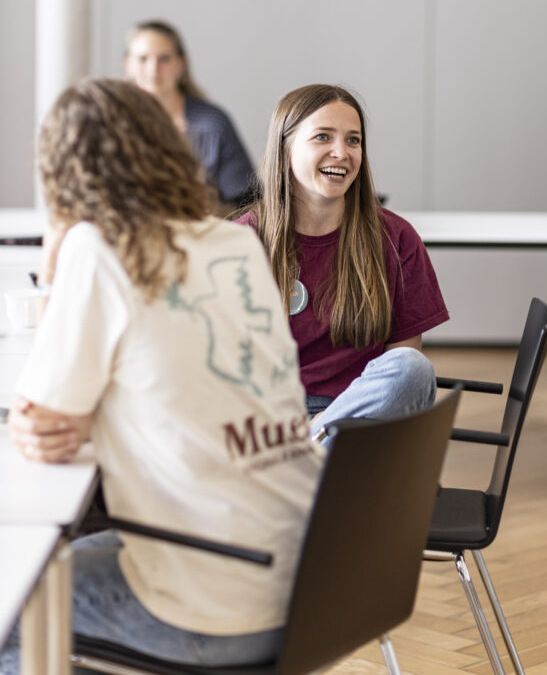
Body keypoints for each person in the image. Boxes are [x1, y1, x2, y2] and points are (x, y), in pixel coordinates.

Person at [1, 79, 322, 674]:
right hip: (307, 585)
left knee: (13, 595)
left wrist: (58, 252)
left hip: (217, 609)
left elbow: (44, 421)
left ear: (65, 173)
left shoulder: (99, 248)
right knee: (83, 552)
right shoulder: (235, 243)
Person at [236, 83, 447, 439]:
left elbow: (400, 367)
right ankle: (305, 461)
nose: (341, 152)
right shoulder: (239, 242)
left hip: (356, 423)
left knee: (412, 368)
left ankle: (307, 451)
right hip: (267, 420)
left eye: (353, 140)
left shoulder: (396, 239)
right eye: (323, 137)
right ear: (286, 148)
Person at [124, 19, 254, 211]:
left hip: (203, 233)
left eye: (164, 58)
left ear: (180, 63)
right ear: (127, 64)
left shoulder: (213, 123)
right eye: (143, 59)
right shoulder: (111, 123)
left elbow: (246, 199)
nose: (153, 69)